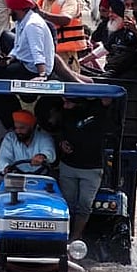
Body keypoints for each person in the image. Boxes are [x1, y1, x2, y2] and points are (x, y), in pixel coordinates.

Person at [57, 97, 110, 240]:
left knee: (85, 204)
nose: (65, 105)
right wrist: (62, 143)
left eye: (69, 102)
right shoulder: (64, 113)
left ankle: (76, 238)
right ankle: (64, 237)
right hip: (68, 165)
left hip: (92, 169)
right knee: (67, 204)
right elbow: (59, 130)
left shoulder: (100, 110)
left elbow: (108, 105)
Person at [0, 0, 55, 81]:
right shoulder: (21, 21)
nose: (9, 12)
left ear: (17, 9)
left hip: (33, 69)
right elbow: (17, 47)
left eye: (10, 9)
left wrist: (42, 75)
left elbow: (37, 51)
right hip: (26, 62)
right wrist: (9, 59)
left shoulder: (32, 24)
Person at [35, 0, 87, 72]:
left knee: (69, 81)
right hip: (47, 49)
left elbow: (66, 20)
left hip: (65, 53)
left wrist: (42, 14)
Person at [0, 110, 57, 175]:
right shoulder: (10, 137)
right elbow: (3, 157)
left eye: (22, 128)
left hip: (41, 176)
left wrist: (42, 156)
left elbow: (49, 151)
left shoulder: (44, 137)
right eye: (16, 128)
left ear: (31, 127)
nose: (18, 131)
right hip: (16, 177)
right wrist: (6, 167)